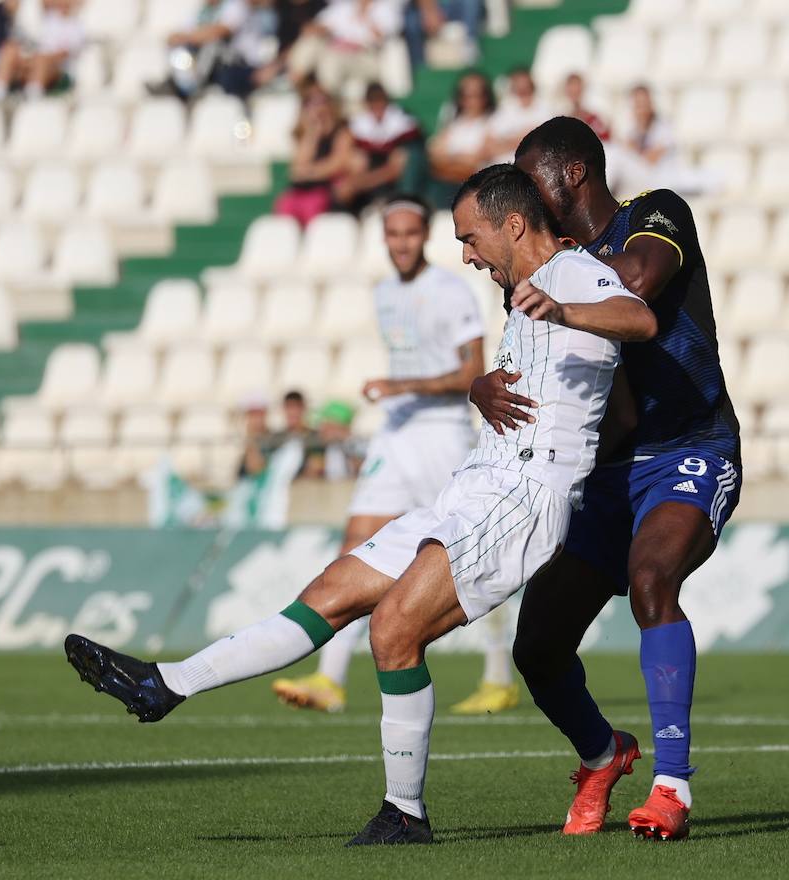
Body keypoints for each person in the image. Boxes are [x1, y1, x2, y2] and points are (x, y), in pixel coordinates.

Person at [62, 164, 658, 845]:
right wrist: (479, 389)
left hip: (522, 496)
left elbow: (637, 316)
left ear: (514, 225)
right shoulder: (517, 292)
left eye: (470, 237)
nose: (465, 252)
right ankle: (165, 684)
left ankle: (405, 813)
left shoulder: (574, 274)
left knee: (394, 631)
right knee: (332, 591)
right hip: (472, 484)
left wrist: (568, 313)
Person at [470, 117, 742, 840]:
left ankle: (671, 789)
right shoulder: (543, 273)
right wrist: (483, 389)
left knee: (653, 581)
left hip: (692, 448)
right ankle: (603, 754)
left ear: (572, 175)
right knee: (538, 649)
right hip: (609, 469)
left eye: (533, 179)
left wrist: (559, 277)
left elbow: (645, 281)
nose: (524, 196)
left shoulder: (654, 212)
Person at [270, 194, 511, 717]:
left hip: (441, 434)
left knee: (467, 554)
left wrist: (400, 385)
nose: (400, 243)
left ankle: (499, 673)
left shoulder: (449, 292)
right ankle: (330, 679)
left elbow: (473, 372)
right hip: (396, 433)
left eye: (409, 233)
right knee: (355, 546)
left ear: (424, 235)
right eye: (392, 234)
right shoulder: (383, 293)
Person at [273, 83, 354, 226]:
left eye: (321, 101)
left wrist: (308, 173)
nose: (317, 107)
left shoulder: (342, 131)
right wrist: (313, 132)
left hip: (326, 188)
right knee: (285, 205)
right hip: (303, 189)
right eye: (311, 102)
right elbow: (298, 165)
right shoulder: (306, 134)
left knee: (314, 207)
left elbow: (337, 164)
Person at [162, 0, 278, 100]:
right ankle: (181, 85)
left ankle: (189, 87)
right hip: (216, 66)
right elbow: (176, 36)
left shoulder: (235, 5)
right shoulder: (203, 10)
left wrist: (188, 37)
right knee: (182, 53)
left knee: (213, 47)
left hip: (241, 66)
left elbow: (220, 31)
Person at [336, 82, 421, 214]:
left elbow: (395, 168)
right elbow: (343, 155)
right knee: (356, 161)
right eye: (372, 101)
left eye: (380, 100)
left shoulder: (403, 122)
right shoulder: (358, 124)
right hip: (367, 176)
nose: (377, 105)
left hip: (391, 181)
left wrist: (358, 183)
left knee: (401, 157)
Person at [287, 0, 404, 93]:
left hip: (368, 56)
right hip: (336, 48)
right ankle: (293, 83)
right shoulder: (344, 6)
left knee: (331, 60)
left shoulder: (385, 9)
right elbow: (318, 26)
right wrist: (319, 31)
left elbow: (384, 39)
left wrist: (365, 18)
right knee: (311, 43)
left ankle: (323, 99)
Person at [0, 0, 84, 101]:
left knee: (40, 58)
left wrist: (41, 58)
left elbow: (64, 55)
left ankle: (34, 94)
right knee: (10, 50)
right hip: (36, 61)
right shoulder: (47, 20)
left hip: (57, 69)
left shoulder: (76, 26)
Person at [427, 71, 495, 202]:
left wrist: (449, 159)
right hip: (449, 182)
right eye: (465, 95)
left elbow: (477, 159)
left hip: (478, 186)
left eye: (476, 95)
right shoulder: (454, 124)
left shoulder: (493, 121)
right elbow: (434, 153)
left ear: (486, 97)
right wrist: (460, 159)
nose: (469, 100)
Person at [486, 67, 551, 162]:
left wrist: (506, 141)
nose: (521, 86)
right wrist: (519, 140)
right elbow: (488, 142)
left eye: (524, 82)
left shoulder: (545, 107)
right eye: (518, 82)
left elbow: (543, 141)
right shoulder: (506, 107)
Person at [403, 0, 484, 68]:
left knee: (470, 2)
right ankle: (419, 68)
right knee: (411, 23)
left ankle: (469, 45)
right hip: (424, 7)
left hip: (454, 5)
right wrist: (430, 10)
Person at [562, 72, 610, 142]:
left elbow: (605, 137)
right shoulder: (558, 113)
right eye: (572, 91)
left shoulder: (593, 116)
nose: (575, 91)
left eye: (577, 90)